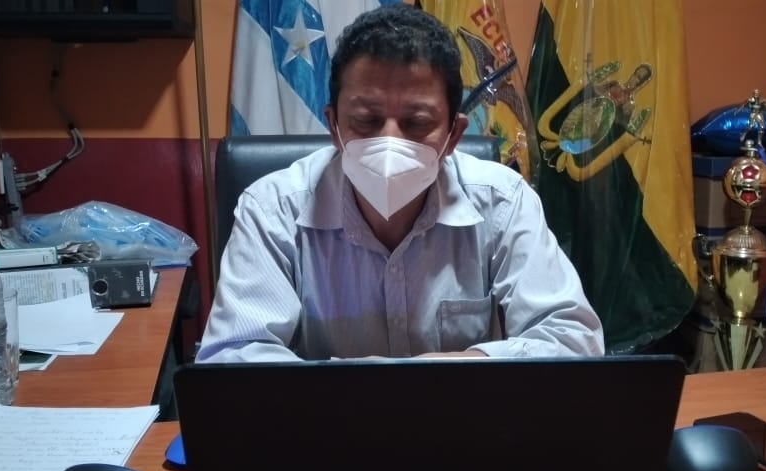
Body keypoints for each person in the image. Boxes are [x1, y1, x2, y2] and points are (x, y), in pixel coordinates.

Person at [196, 4, 603, 363]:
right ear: (333, 126)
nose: (389, 142)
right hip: (327, 423)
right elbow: (231, 358)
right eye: (366, 120)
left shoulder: (503, 201)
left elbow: (573, 339)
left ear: (453, 136)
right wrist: (360, 385)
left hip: (463, 419)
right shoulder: (272, 209)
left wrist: (442, 370)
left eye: (417, 123)